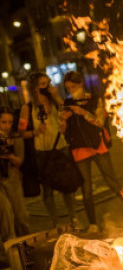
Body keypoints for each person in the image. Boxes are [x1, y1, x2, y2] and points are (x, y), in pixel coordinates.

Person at [59, 71, 123, 232]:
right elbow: (63, 131)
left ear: (81, 84)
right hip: (79, 148)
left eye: (74, 86)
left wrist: (83, 113)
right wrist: (63, 120)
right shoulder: (67, 103)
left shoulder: (95, 99)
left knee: (112, 180)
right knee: (86, 188)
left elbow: (99, 122)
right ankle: (93, 224)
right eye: (68, 88)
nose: (72, 90)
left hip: (97, 144)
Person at [18, 73, 79, 228]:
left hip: (60, 148)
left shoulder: (54, 101)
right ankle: (55, 222)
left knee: (67, 186)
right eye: (43, 84)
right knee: (48, 190)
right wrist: (36, 132)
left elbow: (67, 110)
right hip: (42, 152)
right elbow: (21, 133)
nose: (47, 86)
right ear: (35, 87)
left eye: (48, 83)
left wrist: (56, 96)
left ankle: (73, 218)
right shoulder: (27, 108)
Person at [0, 106, 29, 247]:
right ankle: (11, 248)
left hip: (12, 177)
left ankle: (26, 245)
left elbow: (20, 160)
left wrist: (9, 155)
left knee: (21, 215)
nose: (7, 126)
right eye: (3, 122)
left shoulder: (15, 137)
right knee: (6, 214)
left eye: (10, 122)